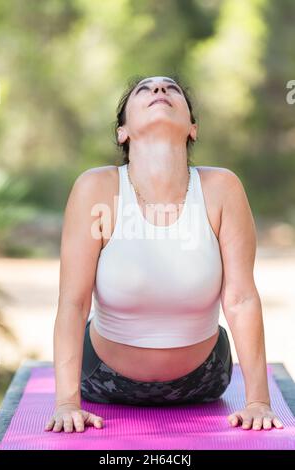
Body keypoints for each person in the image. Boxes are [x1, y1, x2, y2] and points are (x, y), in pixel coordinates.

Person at [45, 75, 284, 434]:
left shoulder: (222, 188)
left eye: (171, 88)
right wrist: (66, 404)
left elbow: (241, 298)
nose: (159, 90)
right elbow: (73, 303)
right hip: (102, 380)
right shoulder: (96, 188)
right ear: (122, 132)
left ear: (193, 127)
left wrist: (258, 403)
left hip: (203, 380)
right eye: (145, 89)